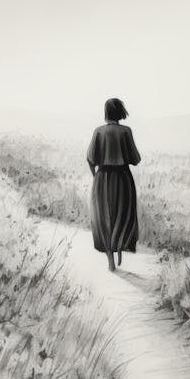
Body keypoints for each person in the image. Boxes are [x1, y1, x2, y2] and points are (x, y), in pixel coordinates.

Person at [86, 98, 141, 272]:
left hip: (102, 179)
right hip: (123, 178)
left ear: (106, 112)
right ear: (120, 112)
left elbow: (90, 159)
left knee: (104, 218)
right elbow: (136, 159)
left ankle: (110, 257)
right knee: (122, 215)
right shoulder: (126, 131)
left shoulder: (98, 131)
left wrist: (96, 176)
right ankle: (119, 249)